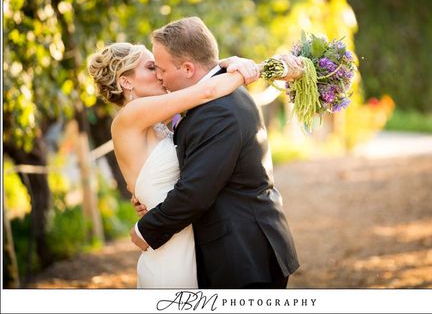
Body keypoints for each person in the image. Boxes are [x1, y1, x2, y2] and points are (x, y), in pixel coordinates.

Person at [131, 16, 300, 288]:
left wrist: (147, 229)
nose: (159, 76)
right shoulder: (219, 93)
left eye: (161, 69)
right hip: (241, 248)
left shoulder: (218, 111)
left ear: (187, 68)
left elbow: (196, 191)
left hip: (243, 255)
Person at [88, 42, 259, 288]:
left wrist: (224, 63)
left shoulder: (152, 120)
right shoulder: (132, 113)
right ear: (126, 82)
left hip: (185, 236)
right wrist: (249, 69)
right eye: (150, 67)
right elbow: (206, 91)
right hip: (169, 251)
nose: (159, 74)